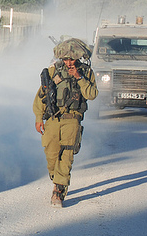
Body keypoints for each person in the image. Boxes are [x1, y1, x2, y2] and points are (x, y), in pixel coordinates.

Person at [33, 38, 98, 207]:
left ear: (78, 58)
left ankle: (59, 190)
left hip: (72, 119)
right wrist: (39, 118)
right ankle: (57, 179)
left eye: (72, 58)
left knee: (67, 155)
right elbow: (41, 96)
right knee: (51, 154)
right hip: (53, 119)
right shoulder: (53, 71)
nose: (69, 62)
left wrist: (79, 77)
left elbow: (91, 94)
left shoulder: (86, 73)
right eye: (66, 59)